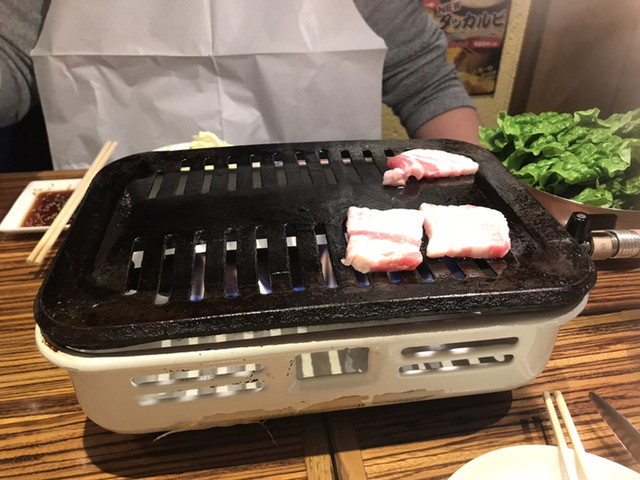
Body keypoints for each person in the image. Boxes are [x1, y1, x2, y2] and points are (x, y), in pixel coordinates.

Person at [0, 0, 479, 171]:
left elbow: (425, 83)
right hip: (115, 212)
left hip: (315, 204)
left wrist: (479, 194)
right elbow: (12, 65)